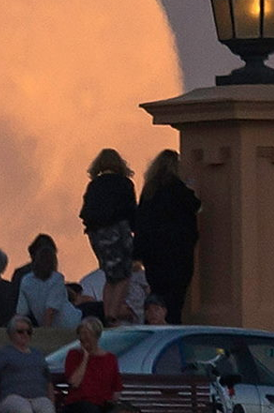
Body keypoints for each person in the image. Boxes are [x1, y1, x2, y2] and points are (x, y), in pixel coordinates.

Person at [133, 149, 200, 324]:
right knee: (175, 298)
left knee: (157, 295)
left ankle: (155, 323)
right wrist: (192, 189)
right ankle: (172, 325)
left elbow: (140, 220)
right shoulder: (177, 188)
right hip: (177, 253)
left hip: (152, 254)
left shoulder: (149, 190)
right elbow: (195, 206)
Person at [79, 149, 136, 327]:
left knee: (110, 277)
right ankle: (113, 314)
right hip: (118, 234)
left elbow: (84, 213)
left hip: (98, 237)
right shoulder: (124, 184)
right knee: (124, 276)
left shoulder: (94, 185)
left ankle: (107, 313)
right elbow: (131, 211)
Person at [0, 315, 55, 413]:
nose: (25, 334)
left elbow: (49, 383)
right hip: (11, 398)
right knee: (24, 409)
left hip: (39, 397)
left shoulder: (38, 354)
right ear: (11, 333)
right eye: (20, 331)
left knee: (47, 409)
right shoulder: (3, 353)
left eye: (28, 332)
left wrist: (51, 402)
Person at [62, 318, 122, 413]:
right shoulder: (74, 355)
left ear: (96, 336)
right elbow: (74, 383)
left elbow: (116, 388)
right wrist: (85, 357)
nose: (83, 338)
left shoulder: (110, 359)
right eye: (81, 334)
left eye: (87, 334)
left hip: (102, 404)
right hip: (79, 403)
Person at [16, 245, 82, 329]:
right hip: (69, 322)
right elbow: (50, 310)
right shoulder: (57, 278)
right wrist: (46, 331)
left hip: (55, 325)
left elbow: (22, 311)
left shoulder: (26, 280)